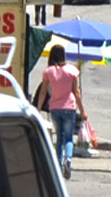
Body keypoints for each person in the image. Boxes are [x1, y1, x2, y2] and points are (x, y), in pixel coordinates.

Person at [36, 44, 86, 178]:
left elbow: (43, 92)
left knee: (59, 138)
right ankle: (68, 159)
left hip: (54, 108)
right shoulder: (72, 70)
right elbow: (76, 92)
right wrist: (82, 110)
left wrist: (38, 108)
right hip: (69, 108)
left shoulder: (49, 72)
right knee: (69, 138)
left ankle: (58, 166)